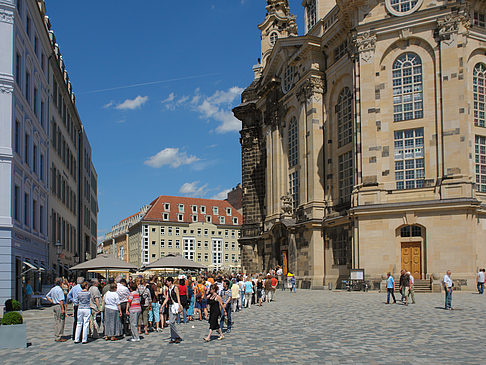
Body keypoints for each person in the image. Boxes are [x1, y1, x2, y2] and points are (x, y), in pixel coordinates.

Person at [161, 277, 182, 343]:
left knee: (172, 322)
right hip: (170, 306)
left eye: (167, 281)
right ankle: (173, 337)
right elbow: (167, 298)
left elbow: (178, 297)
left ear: (170, 281)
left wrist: (179, 306)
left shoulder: (175, 288)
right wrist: (162, 306)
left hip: (175, 306)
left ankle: (176, 336)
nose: (166, 283)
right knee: (171, 322)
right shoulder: (169, 289)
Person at [45, 277, 67, 342]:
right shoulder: (59, 290)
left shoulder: (53, 289)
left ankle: (56, 335)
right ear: (60, 282)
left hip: (54, 305)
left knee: (57, 321)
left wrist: (51, 301)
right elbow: (61, 300)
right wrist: (63, 309)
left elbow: (47, 296)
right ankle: (59, 336)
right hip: (59, 306)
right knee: (61, 321)